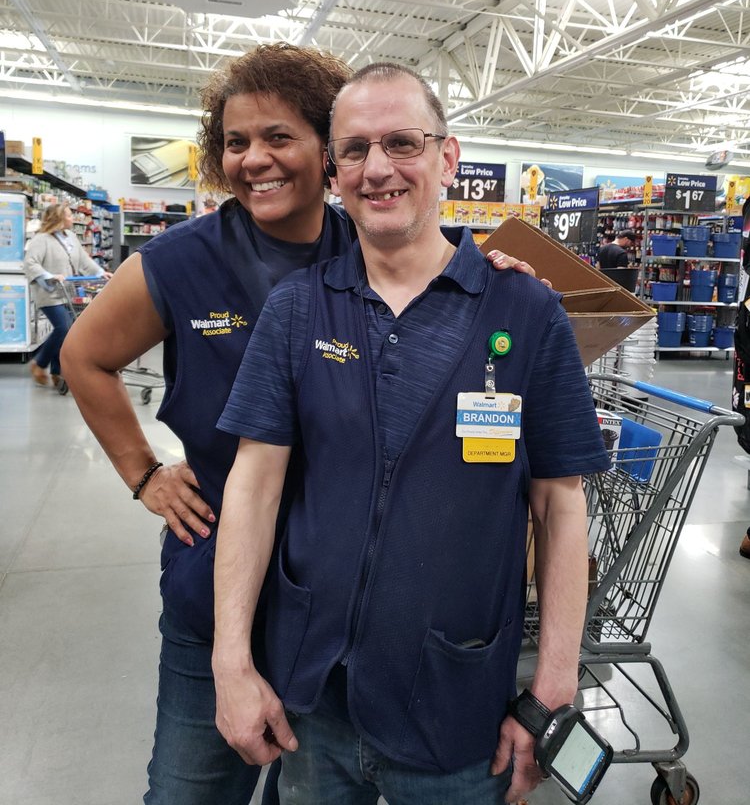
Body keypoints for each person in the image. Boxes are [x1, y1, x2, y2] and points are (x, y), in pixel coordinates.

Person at [60, 44, 533, 804]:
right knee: (189, 789)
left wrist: (496, 277)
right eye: (235, 142)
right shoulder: (179, 262)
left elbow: (456, 292)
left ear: (328, 152)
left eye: (279, 137)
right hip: (219, 584)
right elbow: (83, 356)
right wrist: (143, 474)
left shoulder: (370, 245)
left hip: (338, 605)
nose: (254, 159)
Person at [212, 63, 611, 804]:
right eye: (355, 149)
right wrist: (230, 661)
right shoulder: (299, 309)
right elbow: (254, 485)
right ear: (334, 171)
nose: (378, 169)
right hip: (312, 705)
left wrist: (553, 684)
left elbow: (560, 504)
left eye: (402, 143)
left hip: (458, 706)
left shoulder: (526, 313)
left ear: (447, 158)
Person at [23, 203, 109, 387]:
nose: (73, 218)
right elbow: (30, 263)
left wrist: (101, 273)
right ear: (59, 219)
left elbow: (84, 260)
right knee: (64, 328)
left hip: (67, 291)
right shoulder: (41, 239)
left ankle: (57, 372)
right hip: (49, 293)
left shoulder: (71, 237)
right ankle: (39, 363)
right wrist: (49, 276)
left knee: (66, 333)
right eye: (69, 215)